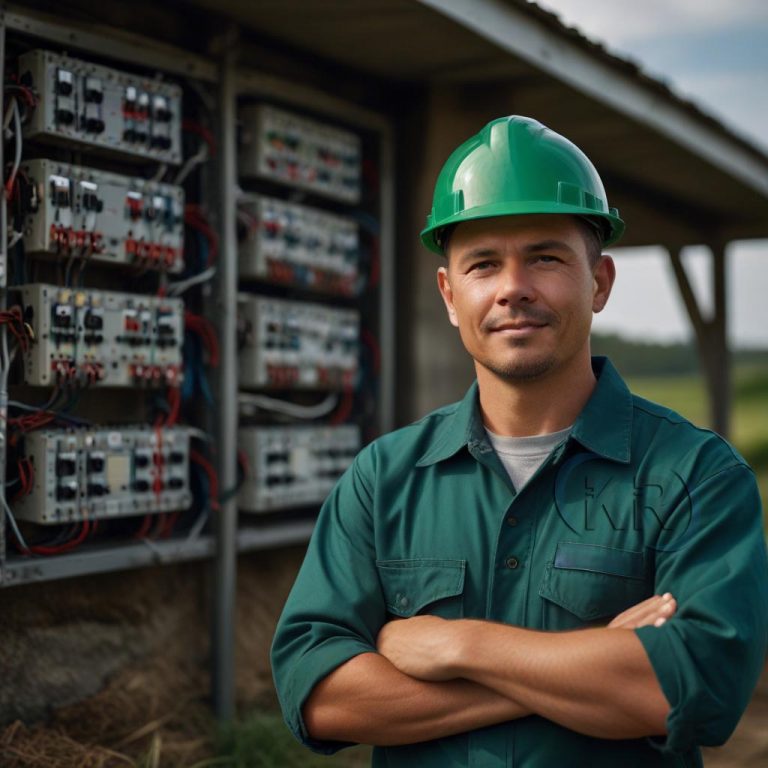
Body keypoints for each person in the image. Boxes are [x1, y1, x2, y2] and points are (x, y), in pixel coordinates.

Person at [271, 115, 768, 767]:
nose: (513, 288)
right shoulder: (383, 479)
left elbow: (689, 691)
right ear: (450, 295)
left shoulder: (695, 475)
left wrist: (461, 647)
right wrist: (579, 667)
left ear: (600, 283)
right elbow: (321, 698)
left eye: (545, 256)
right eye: (483, 264)